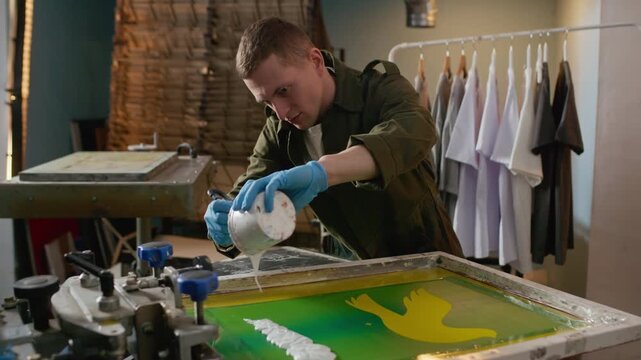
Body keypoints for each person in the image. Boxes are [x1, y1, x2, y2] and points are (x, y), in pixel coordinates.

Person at [204, 17, 462, 260]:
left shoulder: (379, 89)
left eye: (283, 90)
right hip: (349, 266)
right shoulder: (279, 131)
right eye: (268, 102)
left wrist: (322, 172)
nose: (280, 112)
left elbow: (415, 130)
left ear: (315, 61)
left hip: (425, 260)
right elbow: (253, 185)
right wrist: (227, 220)